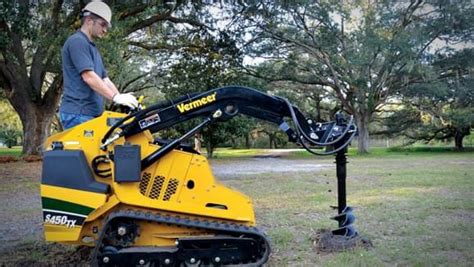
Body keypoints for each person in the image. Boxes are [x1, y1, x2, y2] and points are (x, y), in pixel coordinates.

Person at [59, 1, 138, 129]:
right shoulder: (77, 42)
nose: (105, 30)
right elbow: (88, 77)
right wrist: (115, 97)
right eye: (103, 24)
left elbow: (105, 79)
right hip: (78, 114)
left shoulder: (92, 48)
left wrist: (121, 99)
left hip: (90, 114)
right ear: (89, 20)